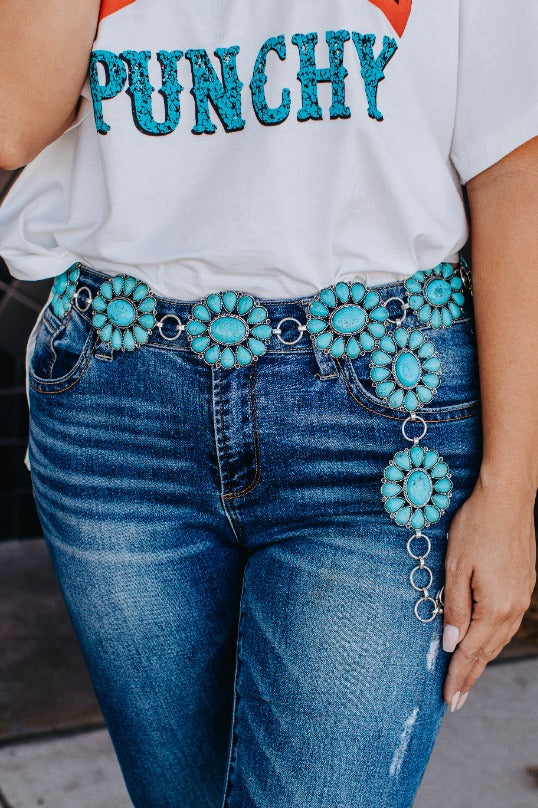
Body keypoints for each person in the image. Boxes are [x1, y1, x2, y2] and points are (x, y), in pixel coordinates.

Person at [1, 1, 537, 806]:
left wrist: (511, 491)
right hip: (121, 411)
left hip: (383, 420)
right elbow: (12, 120)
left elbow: (515, 171)